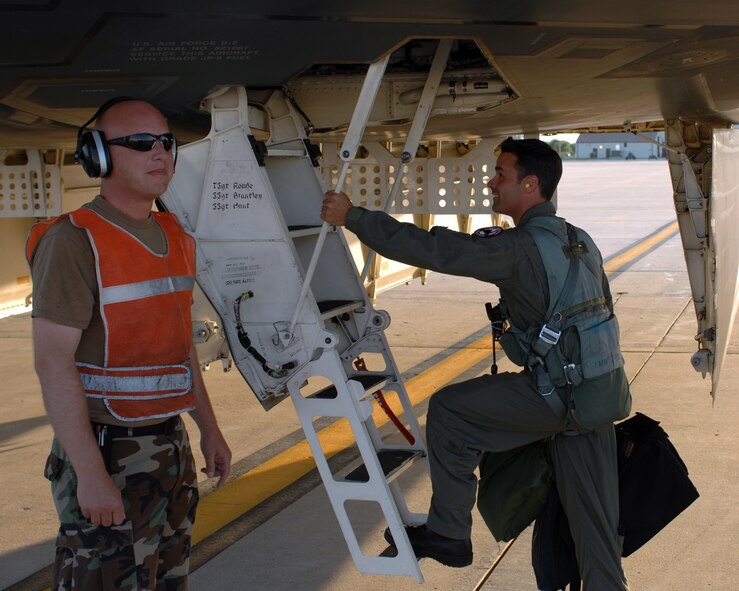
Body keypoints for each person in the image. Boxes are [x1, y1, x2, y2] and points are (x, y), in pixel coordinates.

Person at [321, 138, 631, 590]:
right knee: (598, 533)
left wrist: (353, 217)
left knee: (450, 411)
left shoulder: (519, 247)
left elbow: (434, 250)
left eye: (501, 174)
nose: (491, 181)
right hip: (599, 396)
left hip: (559, 398)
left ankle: (448, 533)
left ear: (529, 184)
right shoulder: (578, 239)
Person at [27, 98, 232, 591]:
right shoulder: (74, 241)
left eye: (166, 142)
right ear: (99, 156)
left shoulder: (173, 234)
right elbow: (52, 362)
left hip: (169, 446)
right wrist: (90, 475)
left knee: (168, 581)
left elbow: (182, 346)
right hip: (108, 451)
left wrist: (209, 428)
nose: (160, 153)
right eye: (141, 143)